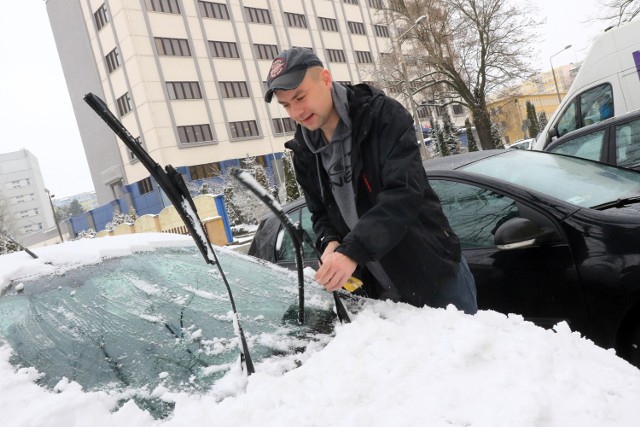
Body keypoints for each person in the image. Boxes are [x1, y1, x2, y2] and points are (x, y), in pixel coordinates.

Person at [264, 47, 477, 314]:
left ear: (326, 79)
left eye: (300, 97)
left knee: (465, 352)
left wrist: (352, 251)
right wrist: (329, 242)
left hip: (434, 275)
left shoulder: (382, 116)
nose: (296, 112)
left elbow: (404, 193)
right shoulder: (303, 150)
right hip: (379, 291)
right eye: (286, 105)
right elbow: (320, 213)